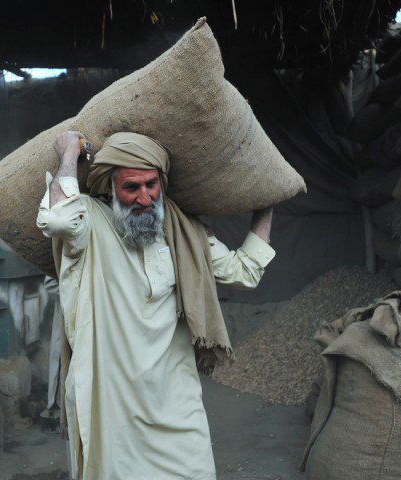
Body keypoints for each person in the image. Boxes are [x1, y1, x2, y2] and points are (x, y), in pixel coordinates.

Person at [36, 131, 275, 480]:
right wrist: (69, 155)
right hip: (110, 403)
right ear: (109, 190)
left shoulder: (183, 232)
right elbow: (56, 218)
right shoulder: (89, 222)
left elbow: (244, 271)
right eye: (131, 188)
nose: (144, 199)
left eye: (151, 185)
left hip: (175, 400)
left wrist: (267, 204)